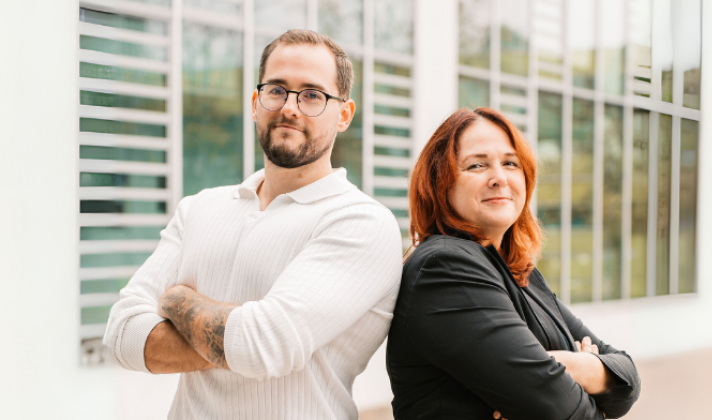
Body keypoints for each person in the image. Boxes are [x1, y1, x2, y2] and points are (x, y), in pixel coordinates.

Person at [104, 29, 403, 420]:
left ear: (344, 115)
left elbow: (264, 346)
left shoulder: (361, 222)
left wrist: (177, 300)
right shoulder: (199, 208)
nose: (290, 107)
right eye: (276, 90)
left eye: (312, 95)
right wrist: (237, 340)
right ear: (255, 103)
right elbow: (122, 333)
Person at [386, 107, 640, 420]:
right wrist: (580, 379)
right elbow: (561, 410)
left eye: (510, 163)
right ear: (441, 182)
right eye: (477, 165)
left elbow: (628, 380)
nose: (499, 178)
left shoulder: (520, 273)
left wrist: (572, 366)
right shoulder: (444, 267)